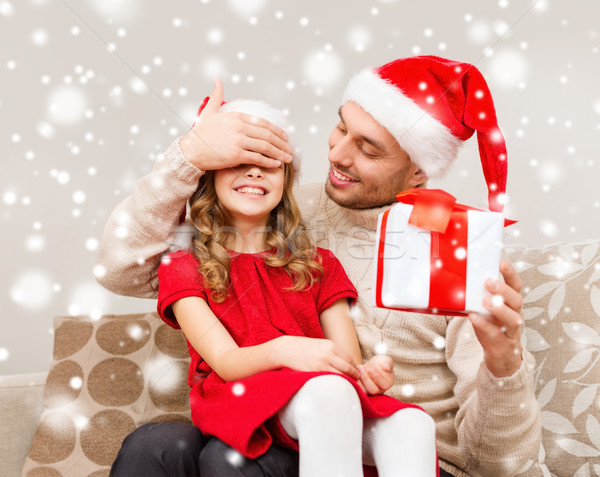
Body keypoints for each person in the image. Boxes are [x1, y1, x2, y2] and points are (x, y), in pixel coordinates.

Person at [100, 56, 541, 477]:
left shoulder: (458, 253)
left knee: (232, 460)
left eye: (367, 148)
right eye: (341, 128)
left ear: (417, 173)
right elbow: (121, 267)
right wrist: (189, 156)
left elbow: (500, 465)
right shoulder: (282, 211)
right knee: (153, 447)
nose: (337, 155)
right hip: (274, 414)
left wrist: (503, 365)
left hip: (389, 446)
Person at [150, 97, 440, 477]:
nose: (255, 173)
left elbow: (344, 361)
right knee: (329, 392)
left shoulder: (319, 264)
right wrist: (287, 350)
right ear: (211, 177)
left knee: (413, 424)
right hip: (241, 397)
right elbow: (227, 362)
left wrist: (366, 373)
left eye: (270, 165)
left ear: (285, 181)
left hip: (322, 399)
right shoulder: (184, 266)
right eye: (239, 163)